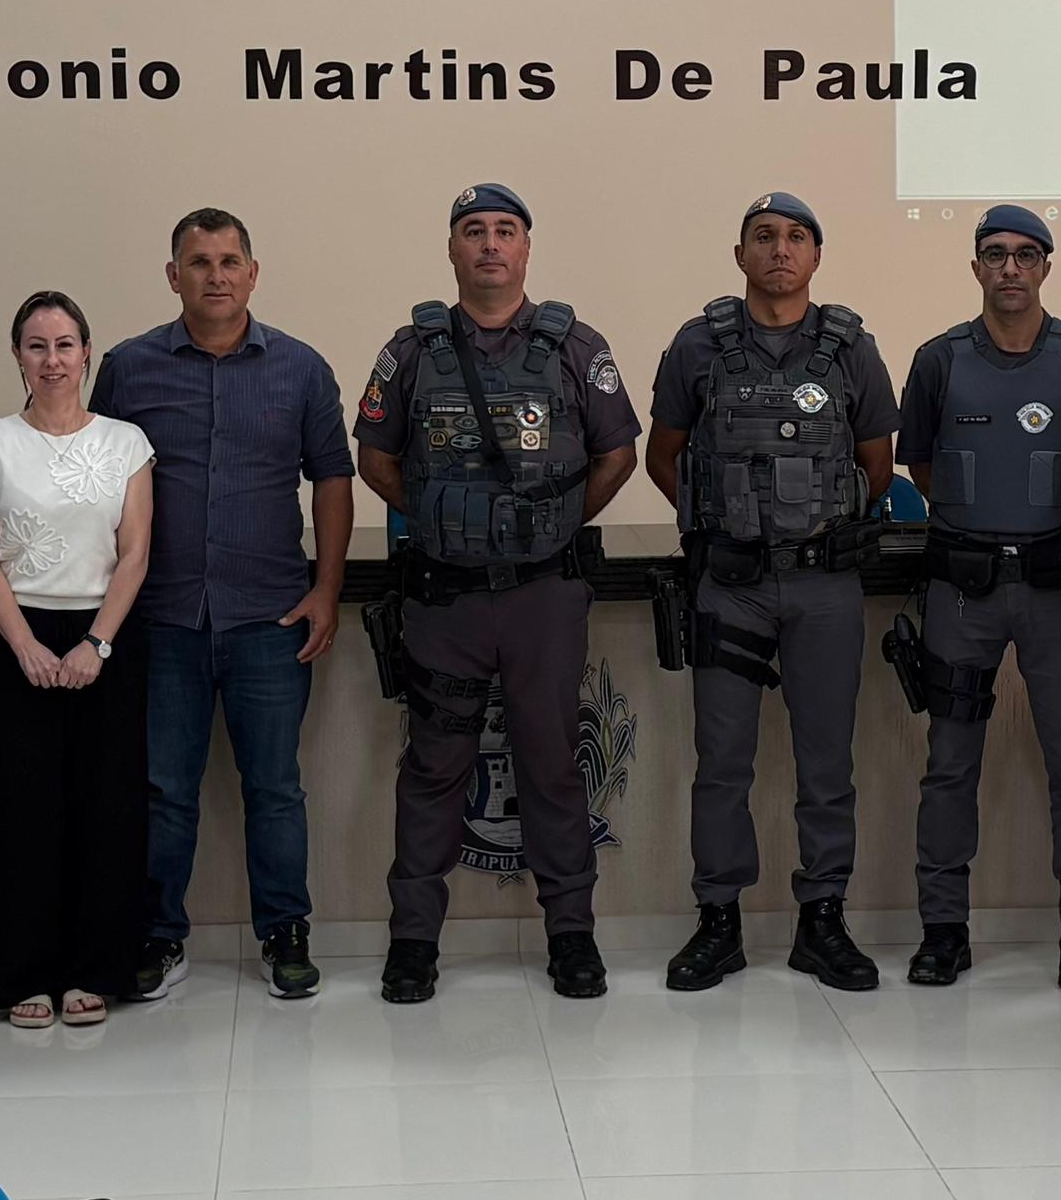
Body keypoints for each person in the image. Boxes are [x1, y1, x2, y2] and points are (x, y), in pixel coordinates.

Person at [356, 182, 641, 1004]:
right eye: (473, 231)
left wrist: (545, 526)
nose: (489, 244)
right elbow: (376, 458)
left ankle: (572, 937)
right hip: (445, 600)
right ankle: (412, 942)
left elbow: (617, 453)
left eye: (505, 231)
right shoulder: (411, 352)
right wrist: (451, 523)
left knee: (552, 766)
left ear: (525, 248)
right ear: (451, 250)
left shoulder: (574, 345)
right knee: (434, 767)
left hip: (542, 597)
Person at [92, 208, 351, 1003]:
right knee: (163, 787)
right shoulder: (129, 368)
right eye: (198, 261)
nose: (215, 274)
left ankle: (285, 932)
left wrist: (327, 588)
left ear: (253, 272)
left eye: (229, 260)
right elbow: (94, 473)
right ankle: (158, 935)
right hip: (161, 618)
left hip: (271, 617)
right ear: (173, 275)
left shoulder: (301, 369)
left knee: (274, 786)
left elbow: (333, 477)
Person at [649, 191, 900, 992]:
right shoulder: (699, 346)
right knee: (722, 762)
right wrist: (722, 524)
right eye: (764, 237)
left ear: (816, 258)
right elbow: (666, 457)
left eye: (796, 237)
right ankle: (718, 919)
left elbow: (877, 466)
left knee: (827, 763)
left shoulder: (850, 348)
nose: (780, 249)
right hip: (732, 586)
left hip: (826, 584)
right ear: (741, 255)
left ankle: (821, 920)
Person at [893, 204, 1061, 990]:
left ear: (1047, 266)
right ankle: (943, 930)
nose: (1011, 268)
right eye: (996, 255)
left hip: (1057, 591)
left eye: (1027, 255)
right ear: (976, 267)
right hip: (964, 590)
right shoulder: (939, 361)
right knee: (949, 764)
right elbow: (920, 471)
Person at [0, 294, 158, 1026]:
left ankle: (94, 970)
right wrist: (26, 647)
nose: (52, 360)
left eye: (65, 345)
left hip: (106, 635)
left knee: (107, 809)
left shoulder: (126, 443)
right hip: (18, 634)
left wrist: (97, 644)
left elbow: (134, 553)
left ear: (87, 354)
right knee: (19, 812)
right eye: (36, 346)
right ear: (17, 356)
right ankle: (25, 977)